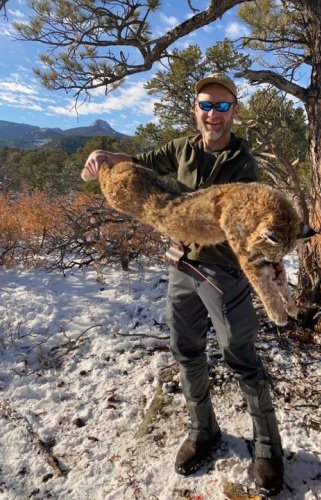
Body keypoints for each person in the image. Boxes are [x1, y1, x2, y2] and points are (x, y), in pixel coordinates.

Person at [83, 73, 284, 495]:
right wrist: (104, 155)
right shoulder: (182, 149)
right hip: (181, 267)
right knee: (186, 349)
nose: (213, 114)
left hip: (225, 273)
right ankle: (203, 430)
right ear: (196, 110)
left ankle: (267, 446)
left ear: (235, 111)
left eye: (222, 106)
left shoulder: (243, 164)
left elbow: (256, 223)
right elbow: (136, 162)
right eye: (206, 106)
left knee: (239, 353)